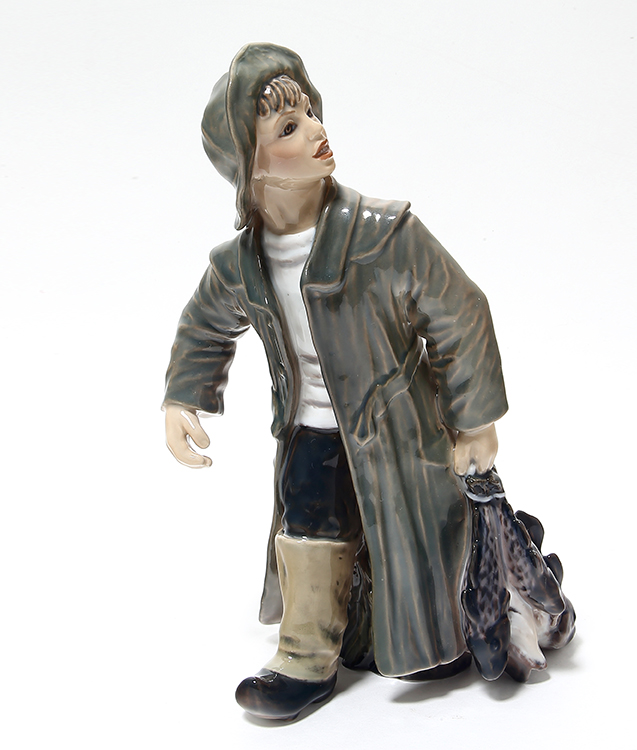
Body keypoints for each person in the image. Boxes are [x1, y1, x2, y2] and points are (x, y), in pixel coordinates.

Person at [164, 43, 511, 721]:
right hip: (311, 431)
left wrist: (474, 419)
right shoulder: (241, 263)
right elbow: (204, 325)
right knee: (308, 527)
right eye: (288, 128)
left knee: (420, 533)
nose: (317, 131)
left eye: (311, 113)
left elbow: (460, 311)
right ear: (251, 165)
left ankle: (440, 631)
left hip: (398, 428)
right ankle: (303, 658)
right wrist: (184, 396)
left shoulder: (385, 235)